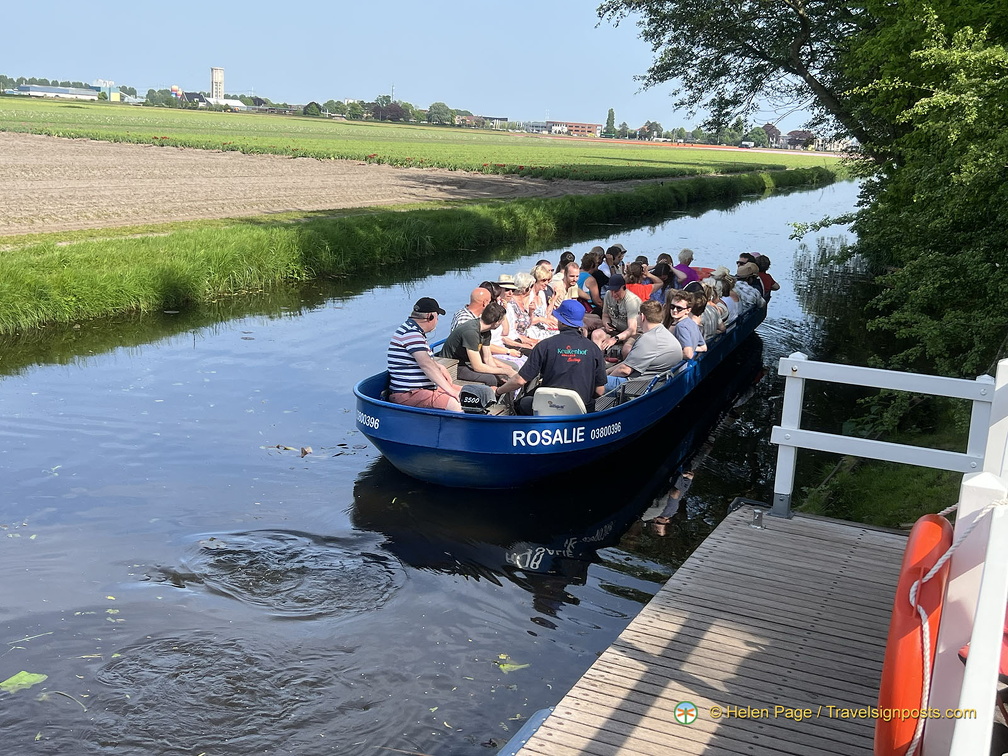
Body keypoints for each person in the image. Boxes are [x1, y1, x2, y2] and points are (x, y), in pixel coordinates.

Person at [494, 299, 607, 415]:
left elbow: (519, 380)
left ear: (562, 322)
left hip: (549, 409)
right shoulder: (594, 349)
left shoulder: (544, 345)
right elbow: (600, 391)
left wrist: (498, 391)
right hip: (581, 412)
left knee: (523, 403)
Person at [386, 297, 462, 412]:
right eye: (437, 317)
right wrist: (450, 391)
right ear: (430, 316)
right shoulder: (411, 334)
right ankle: (461, 429)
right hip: (409, 393)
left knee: (466, 393)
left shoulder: (411, 330)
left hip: (421, 389)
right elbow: (425, 364)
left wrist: (439, 366)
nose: (437, 321)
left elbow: (425, 361)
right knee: (454, 404)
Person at [605, 300, 684, 390]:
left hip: (635, 387)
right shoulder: (664, 333)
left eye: (638, 314)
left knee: (592, 381)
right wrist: (607, 372)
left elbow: (624, 370)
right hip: (657, 384)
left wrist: (605, 379)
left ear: (642, 317)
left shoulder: (648, 339)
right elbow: (629, 363)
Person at [439, 302, 517, 386]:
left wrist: (501, 375)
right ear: (497, 322)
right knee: (490, 379)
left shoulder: (486, 331)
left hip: (467, 363)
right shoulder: (471, 332)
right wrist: (505, 371)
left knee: (502, 377)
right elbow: (477, 366)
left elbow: (487, 359)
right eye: (502, 321)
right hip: (454, 366)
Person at [587, 273, 642, 360]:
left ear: (623, 287)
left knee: (626, 349)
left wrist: (615, 339)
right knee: (596, 334)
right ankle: (598, 362)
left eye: (616, 291)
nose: (613, 294)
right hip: (615, 329)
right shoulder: (608, 295)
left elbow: (632, 329)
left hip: (631, 333)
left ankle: (623, 369)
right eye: (611, 291)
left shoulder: (632, 301)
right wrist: (606, 324)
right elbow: (605, 315)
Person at [665, 291, 706, 360]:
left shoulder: (681, 326)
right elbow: (703, 347)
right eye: (672, 306)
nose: (674, 310)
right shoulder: (692, 323)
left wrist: (669, 354)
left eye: (679, 308)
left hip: (677, 367)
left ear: (688, 310)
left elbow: (688, 354)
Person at [579, 251, 605, 315]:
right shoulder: (590, 280)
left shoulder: (575, 274)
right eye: (597, 264)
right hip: (589, 308)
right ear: (592, 265)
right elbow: (597, 301)